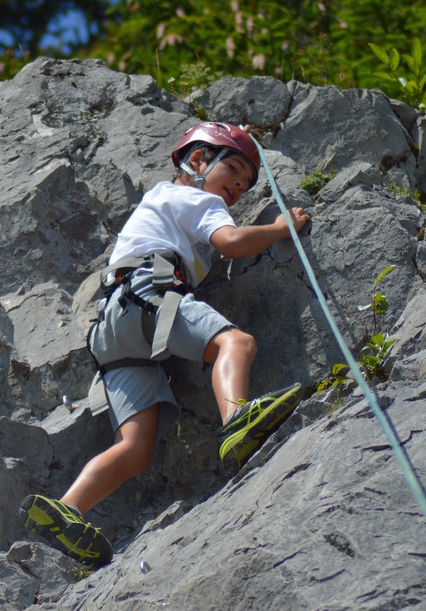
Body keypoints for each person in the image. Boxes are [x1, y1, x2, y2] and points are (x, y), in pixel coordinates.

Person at [19, 121, 312, 567]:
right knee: (237, 343)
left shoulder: (160, 198)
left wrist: (239, 141)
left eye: (247, 182)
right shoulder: (198, 198)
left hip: (113, 328)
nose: (237, 185)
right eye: (232, 169)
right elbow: (230, 243)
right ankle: (236, 419)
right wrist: (279, 227)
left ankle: (68, 509)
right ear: (197, 161)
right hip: (152, 289)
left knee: (135, 449)